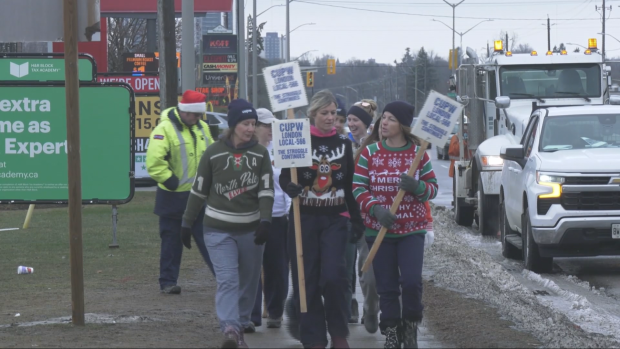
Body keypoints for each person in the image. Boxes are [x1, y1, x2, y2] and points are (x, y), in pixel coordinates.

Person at [181, 99, 274, 348]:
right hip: (217, 230)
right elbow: (199, 191)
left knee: (249, 280)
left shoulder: (260, 154)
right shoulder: (213, 153)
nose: (250, 128)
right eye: (245, 123)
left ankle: (241, 323)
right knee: (228, 279)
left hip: (251, 230)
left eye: (253, 123)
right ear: (233, 125)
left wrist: (265, 220)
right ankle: (230, 328)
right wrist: (186, 223)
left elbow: (266, 191)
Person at [280, 89, 365, 349]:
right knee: (307, 280)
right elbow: (285, 177)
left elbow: (349, 184)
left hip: (335, 219)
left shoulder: (343, 143)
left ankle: (338, 333)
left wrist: (356, 218)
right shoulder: (298, 139)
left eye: (334, 113)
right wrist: (290, 187)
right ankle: (313, 338)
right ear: (313, 113)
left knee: (334, 276)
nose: (330, 118)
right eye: (325, 113)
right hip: (302, 219)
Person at [353, 101, 438, 348]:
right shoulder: (370, 153)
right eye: (383, 118)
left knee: (411, 282)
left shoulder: (418, 154)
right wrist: (376, 209)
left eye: (391, 118)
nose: (385, 123)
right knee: (386, 286)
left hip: (412, 230)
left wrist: (418, 187)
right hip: (378, 231)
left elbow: (433, 189)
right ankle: (391, 331)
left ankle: (410, 325)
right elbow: (358, 187)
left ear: (402, 124)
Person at [146, 90, 216, 295]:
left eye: (199, 115)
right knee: (171, 241)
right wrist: (170, 181)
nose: (197, 119)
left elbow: (212, 155)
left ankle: (224, 279)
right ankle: (168, 282)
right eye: (194, 115)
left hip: (199, 197)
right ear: (184, 111)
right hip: (173, 197)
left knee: (210, 240)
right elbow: (154, 161)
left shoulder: (202, 127)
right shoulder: (164, 129)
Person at [250, 108, 292, 330]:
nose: (271, 131)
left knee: (277, 268)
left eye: (273, 126)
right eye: (267, 126)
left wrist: (290, 208)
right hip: (252, 217)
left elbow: (288, 182)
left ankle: (276, 311)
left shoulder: (281, 149)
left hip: (277, 216)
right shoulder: (248, 150)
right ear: (254, 127)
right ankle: (252, 313)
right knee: (252, 267)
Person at [346, 99, 379, 329]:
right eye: (348, 120)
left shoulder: (375, 147)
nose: (350, 124)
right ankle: (349, 304)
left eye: (355, 120)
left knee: (368, 269)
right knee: (346, 264)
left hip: (369, 215)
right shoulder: (343, 145)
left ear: (366, 123)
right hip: (346, 213)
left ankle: (370, 308)